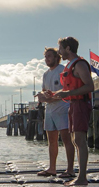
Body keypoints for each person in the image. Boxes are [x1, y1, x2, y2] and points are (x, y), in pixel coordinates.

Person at [54, 37, 94, 186]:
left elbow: (90, 86)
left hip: (81, 104)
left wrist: (67, 93)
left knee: (79, 140)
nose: (59, 52)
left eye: (60, 48)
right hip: (73, 104)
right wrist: (52, 94)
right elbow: (67, 90)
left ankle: (82, 178)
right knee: (75, 140)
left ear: (68, 49)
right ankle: (79, 176)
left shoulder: (80, 64)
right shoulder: (70, 65)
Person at [35, 47, 75, 179]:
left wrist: (50, 98)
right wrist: (41, 96)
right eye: (45, 57)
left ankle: (70, 169)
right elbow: (44, 90)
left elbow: (67, 90)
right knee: (51, 140)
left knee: (66, 139)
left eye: (49, 56)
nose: (47, 59)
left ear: (56, 57)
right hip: (50, 110)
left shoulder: (63, 70)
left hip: (62, 108)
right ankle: (52, 168)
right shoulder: (46, 74)